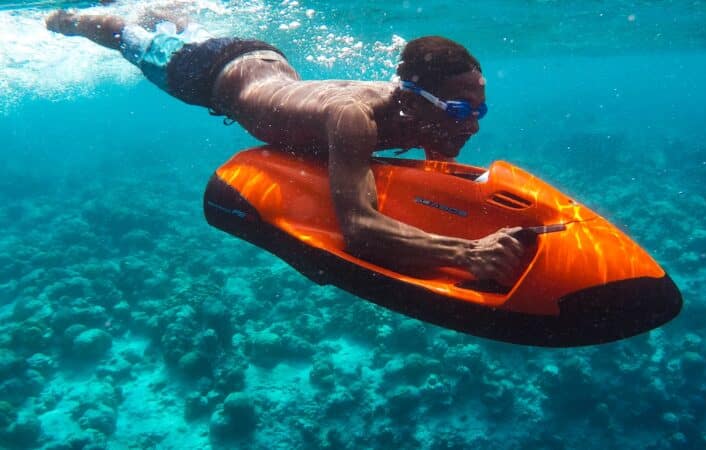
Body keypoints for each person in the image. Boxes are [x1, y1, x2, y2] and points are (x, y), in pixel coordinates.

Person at [46, 9, 527, 286]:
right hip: (206, 75)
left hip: (266, 59)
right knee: (128, 41)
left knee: (181, 27)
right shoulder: (353, 119)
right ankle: (74, 18)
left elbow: (440, 176)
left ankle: (162, 14)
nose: (473, 126)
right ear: (414, 98)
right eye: (463, 112)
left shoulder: (422, 112)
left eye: (479, 110)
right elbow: (358, 229)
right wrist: (466, 254)